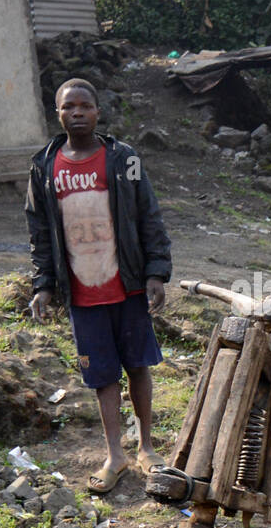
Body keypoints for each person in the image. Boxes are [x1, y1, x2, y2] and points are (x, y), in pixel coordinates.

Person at [25, 78, 171, 493]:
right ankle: (115, 455)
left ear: (97, 111)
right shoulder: (43, 167)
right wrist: (44, 284)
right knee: (101, 375)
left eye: (85, 106)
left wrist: (156, 272)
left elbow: (149, 216)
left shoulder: (124, 158)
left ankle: (146, 447)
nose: (77, 113)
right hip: (82, 292)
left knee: (137, 365)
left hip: (126, 285)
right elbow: (38, 231)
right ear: (57, 114)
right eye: (68, 106)